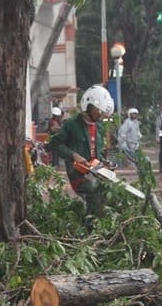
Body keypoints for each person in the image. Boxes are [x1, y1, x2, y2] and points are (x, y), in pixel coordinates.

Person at [48, 84, 114, 222]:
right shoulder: (71, 125)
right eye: (98, 111)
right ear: (89, 107)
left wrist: (105, 163)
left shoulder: (99, 128)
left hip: (95, 172)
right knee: (94, 194)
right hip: (78, 174)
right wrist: (73, 155)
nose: (100, 114)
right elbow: (55, 144)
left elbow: (98, 153)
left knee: (108, 191)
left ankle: (98, 224)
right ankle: (90, 227)